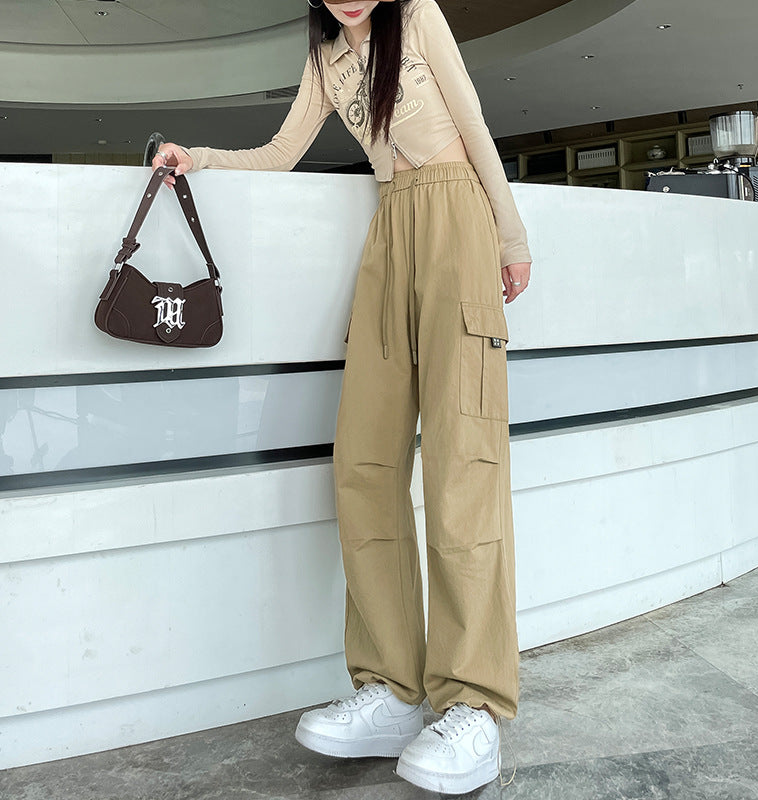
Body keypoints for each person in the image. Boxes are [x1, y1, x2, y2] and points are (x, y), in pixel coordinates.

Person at [152, 0, 531, 793]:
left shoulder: (418, 16)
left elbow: (472, 120)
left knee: (463, 468)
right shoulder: (326, 56)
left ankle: (474, 702)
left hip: (457, 215)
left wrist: (510, 236)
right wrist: (201, 158)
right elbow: (283, 151)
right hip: (389, 228)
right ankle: (392, 687)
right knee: (363, 462)